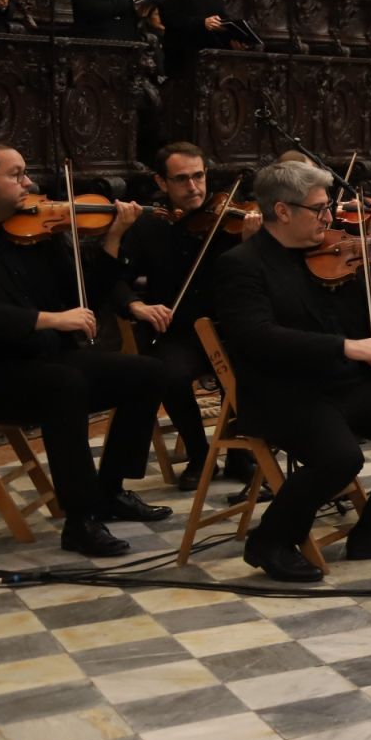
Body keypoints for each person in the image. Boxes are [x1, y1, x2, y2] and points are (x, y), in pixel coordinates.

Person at [211, 161, 371, 582]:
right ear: (283, 210)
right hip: (283, 394)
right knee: (342, 456)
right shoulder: (242, 264)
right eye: (319, 209)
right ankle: (270, 540)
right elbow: (255, 336)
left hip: (341, 384)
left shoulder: (328, 254)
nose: (330, 218)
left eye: (328, 208)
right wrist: (342, 346)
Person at [0, 139, 172, 556]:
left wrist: (114, 239)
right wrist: (47, 320)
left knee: (149, 373)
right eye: (16, 175)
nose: (29, 183)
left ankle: (110, 489)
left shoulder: (33, 236)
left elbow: (82, 296)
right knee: (63, 384)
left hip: (45, 359)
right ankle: (81, 520)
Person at [109, 141, 265, 492]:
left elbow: (257, 281)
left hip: (232, 327)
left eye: (198, 177)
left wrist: (252, 246)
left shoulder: (233, 222)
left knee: (257, 361)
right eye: (181, 179)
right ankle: (199, 453)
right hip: (181, 332)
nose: (193, 187)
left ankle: (239, 451)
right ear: (162, 183)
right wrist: (137, 306)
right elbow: (116, 279)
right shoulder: (148, 225)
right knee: (167, 374)